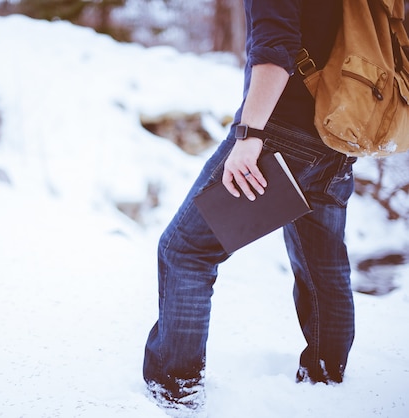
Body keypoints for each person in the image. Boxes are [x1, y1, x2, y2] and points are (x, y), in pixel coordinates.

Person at [143, 0, 356, 414]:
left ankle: (176, 391)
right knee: (322, 265)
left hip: (280, 137)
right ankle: (326, 381)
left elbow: (275, 49)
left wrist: (250, 133)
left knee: (186, 251)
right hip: (336, 139)